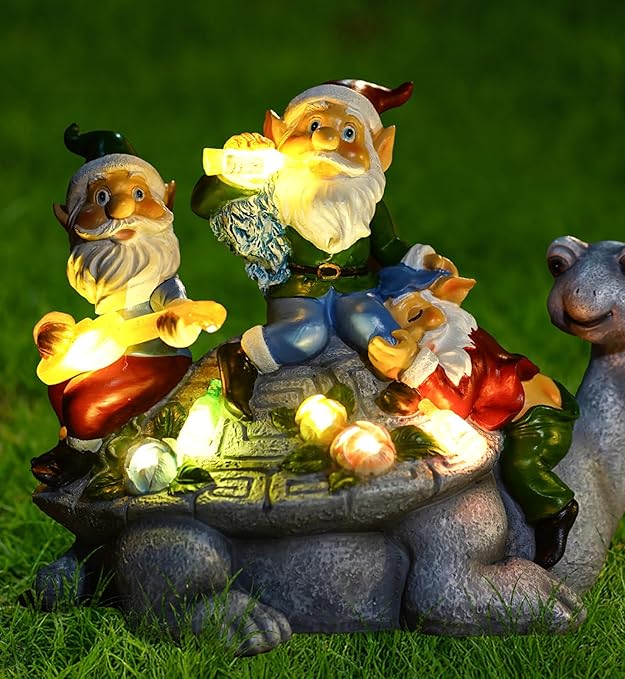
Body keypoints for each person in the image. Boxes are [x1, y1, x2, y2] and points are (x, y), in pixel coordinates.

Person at [192, 80, 451, 419]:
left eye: (348, 133)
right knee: (305, 334)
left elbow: (388, 246)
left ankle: (408, 381)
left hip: (356, 288)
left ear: (380, 151)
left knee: (374, 327)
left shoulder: (366, 204)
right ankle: (243, 358)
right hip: (300, 288)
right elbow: (204, 204)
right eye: (314, 126)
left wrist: (421, 262)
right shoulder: (278, 197)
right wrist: (233, 176)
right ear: (278, 134)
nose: (326, 140)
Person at [33, 124, 225, 483]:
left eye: (138, 194)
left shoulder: (161, 281)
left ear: (166, 201)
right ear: (69, 219)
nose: (121, 210)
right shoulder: (99, 272)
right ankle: (78, 443)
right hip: (112, 350)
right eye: (102, 198)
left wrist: (179, 322)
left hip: (156, 360)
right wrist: (54, 335)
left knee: (84, 403)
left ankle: (79, 456)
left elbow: (180, 310)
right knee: (59, 387)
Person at [369, 256, 579, 569]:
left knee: (521, 466)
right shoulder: (451, 341)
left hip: (538, 418)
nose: (409, 331)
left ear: (437, 312)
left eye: (414, 316)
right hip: (520, 397)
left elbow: (456, 403)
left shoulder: (460, 352)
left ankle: (556, 509)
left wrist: (412, 364)